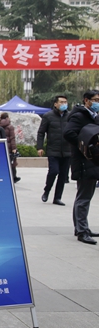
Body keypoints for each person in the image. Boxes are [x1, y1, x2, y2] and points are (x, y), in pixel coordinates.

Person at [63, 90, 99, 245]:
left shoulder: (94, 116)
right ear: (86, 100)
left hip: (92, 161)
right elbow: (68, 133)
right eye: (95, 100)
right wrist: (85, 145)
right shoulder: (79, 116)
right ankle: (82, 231)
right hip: (84, 161)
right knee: (83, 197)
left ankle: (81, 227)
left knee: (85, 196)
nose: (98, 103)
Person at [36, 95, 71, 206]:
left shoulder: (70, 116)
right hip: (53, 149)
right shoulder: (48, 116)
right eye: (61, 102)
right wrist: (40, 147)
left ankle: (57, 198)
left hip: (67, 150)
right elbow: (41, 132)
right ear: (55, 104)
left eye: (65, 102)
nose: (64, 104)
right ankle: (47, 190)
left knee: (63, 175)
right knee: (53, 171)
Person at [0, 112, 20, 183]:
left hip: (1, 147)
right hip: (9, 148)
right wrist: (14, 148)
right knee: (12, 163)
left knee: (3, 162)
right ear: (7, 118)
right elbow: (12, 138)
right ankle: (13, 177)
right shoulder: (10, 126)